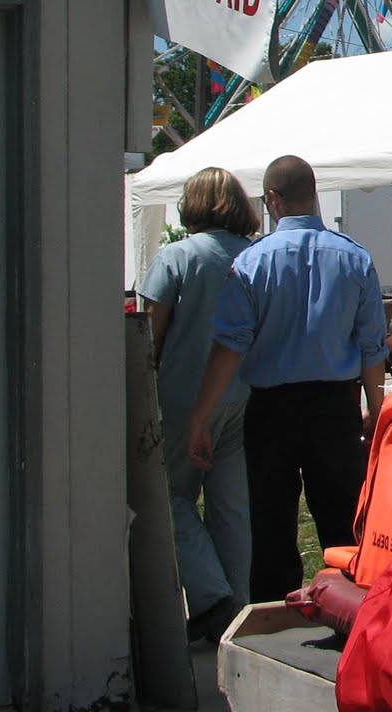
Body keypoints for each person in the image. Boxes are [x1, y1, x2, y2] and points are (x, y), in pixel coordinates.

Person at [186, 156, 389, 603]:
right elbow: (372, 346)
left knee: (271, 526)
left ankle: (275, 619)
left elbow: (229, 346)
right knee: (342, 522)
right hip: (335, 406)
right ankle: (353, 616)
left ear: (272, 200)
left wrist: (200, 415)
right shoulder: (355, 258)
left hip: (271, 410)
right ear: (313, 194)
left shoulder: (251, 263)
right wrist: (378, 411)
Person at [138, 167, 260, 641]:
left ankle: (210, 595)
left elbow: (150, 332)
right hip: (244, 392)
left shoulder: (175, 258)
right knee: (232, 507)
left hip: (182, 396)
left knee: (167, 496)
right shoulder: (254, 256)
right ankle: (238, 609)